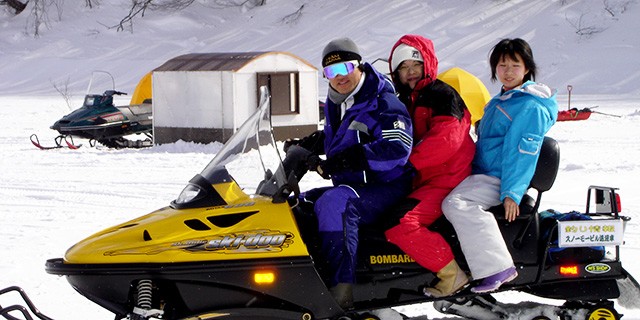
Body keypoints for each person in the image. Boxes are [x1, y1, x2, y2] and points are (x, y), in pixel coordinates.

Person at [286, 37, 414, 308]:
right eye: (331, 72)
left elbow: (397, 148)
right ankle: (302, 276)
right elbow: (348, 134)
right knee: (301, 203)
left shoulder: (384, 102)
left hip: (385, 185)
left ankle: (342, 289)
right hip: (356, 184)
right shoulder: (338, 101)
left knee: (335, 205)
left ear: (359, 65)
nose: (339, 77)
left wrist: (351, 160)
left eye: (345, 68)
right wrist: (311, 143)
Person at [441, 38, 558, 293]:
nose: (507, 71)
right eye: (502, 65)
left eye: (515, 65)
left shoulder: (529, 106)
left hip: (499, 178)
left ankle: (496, 267)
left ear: (527, 68)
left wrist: (511, 194)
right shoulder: (501, 100)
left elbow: (522, 153)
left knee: (456, 204)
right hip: (484, 173)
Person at [383, 34, 476, 297]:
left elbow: (447, 139)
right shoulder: (407, 100)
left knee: (400, 223)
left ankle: (452, 274)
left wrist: (407, 163)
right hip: (425, 179)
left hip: (448, 179)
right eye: (403, 68)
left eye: (416, 65)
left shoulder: (442, 94)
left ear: (428, 65)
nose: (411, 73)